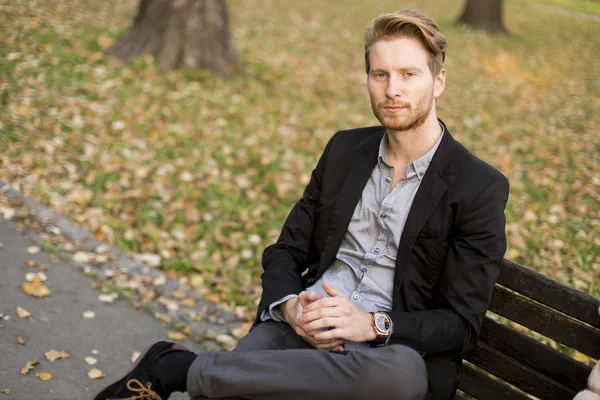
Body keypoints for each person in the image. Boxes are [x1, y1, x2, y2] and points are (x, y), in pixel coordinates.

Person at [94, 8, 509, 400]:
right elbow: (286, 250)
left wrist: (370, 324)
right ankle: (198, 371)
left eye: (408, 74)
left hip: (388, 352)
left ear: (438, 82)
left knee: (401, 377)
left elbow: (460, 324)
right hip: (305, 326)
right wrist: (291, 307)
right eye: (379, 74)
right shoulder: (345, 150)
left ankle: (175, 368)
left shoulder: (478, 186)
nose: (392, 89)